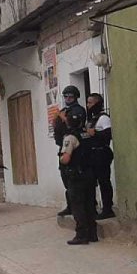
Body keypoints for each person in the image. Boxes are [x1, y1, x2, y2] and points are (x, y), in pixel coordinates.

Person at [59, 112, 98, 245]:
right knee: (89, 204)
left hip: (76, 176)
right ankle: (93, 234)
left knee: (78, 206)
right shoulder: (87, 134)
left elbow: (66, 158)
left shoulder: (70, 137)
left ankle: (81, 235)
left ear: (68, 122)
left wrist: (61, 158)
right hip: (90, 174)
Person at [54, 86, 87, 217]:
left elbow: (75, 125)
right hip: (63, 146)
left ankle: (84, 207)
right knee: (66, 178)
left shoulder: (79, 110)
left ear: (76, 97)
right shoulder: (64, 111)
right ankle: (70, 206)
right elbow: (57, 127)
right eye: (66, 96)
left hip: (75, 147)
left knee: (77, 179)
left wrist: (63, 118)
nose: (68, 99)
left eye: (70, 97)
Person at [84, 93, 114, 219]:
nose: (88, 105)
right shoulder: (92, 119)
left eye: (90, 103)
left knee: (104, 182)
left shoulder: (103, 118)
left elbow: (109, 134)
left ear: (97, 103)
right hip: (93, 154)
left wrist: (95, 133)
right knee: (91, 182)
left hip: (102, 153)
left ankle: (107, 209)